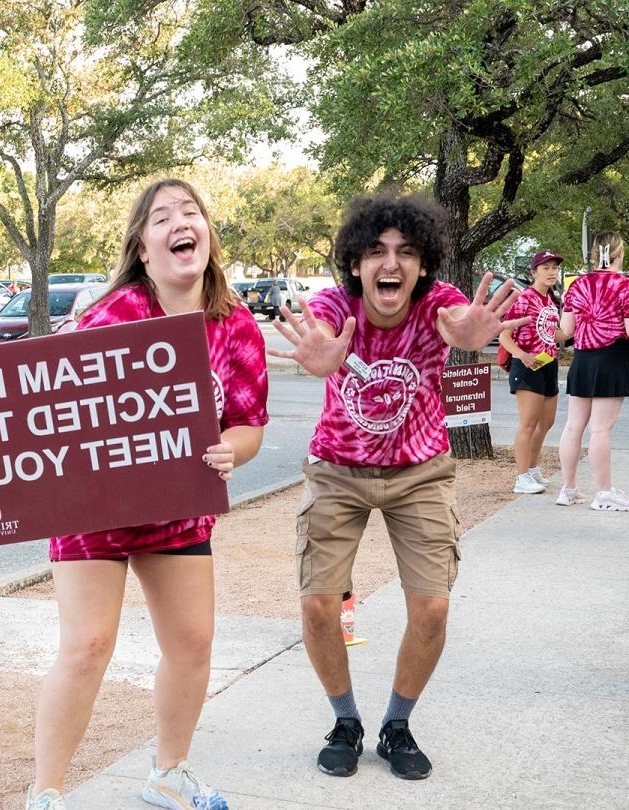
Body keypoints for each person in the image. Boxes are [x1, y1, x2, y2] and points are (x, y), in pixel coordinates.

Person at [0, 178, 268, 810]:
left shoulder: (234, 326)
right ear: (143, 249)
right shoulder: (114, 313)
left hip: (178, 511)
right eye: (162, 217)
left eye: (190, 212)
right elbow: (38, 407)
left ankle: (168, 774)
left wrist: (229, 450)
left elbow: (250, 423)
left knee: (193, 644)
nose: (181, 222)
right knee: (88, 645)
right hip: (96, 511)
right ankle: (44, 794)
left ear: (207, 233)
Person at [269, 193, 527, 782]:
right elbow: (326, 328)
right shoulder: (336, 306)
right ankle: (346, 722)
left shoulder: (439, 302)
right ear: (357, 265)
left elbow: (457, 323)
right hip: (337, 469)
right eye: (377, 252)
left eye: (406, 253)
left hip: (420, 473)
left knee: (433, 608)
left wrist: (469, 334)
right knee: (317, 605)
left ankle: (396, 725)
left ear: (423, 265)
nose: (391, 263)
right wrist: (318, 354)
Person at [555, 232, 629, 510]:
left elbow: (566, 332)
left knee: (573, 426)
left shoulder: (576, 286)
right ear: (619, 254)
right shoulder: (625, 287)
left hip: (582, 360)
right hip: (611, 359)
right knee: (600, 430)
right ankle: (605, 493)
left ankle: (568, 489)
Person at [501, 250, 563, 494]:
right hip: (527, 365)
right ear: (534, 271)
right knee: (529, 423)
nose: (551, 272)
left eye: (554, 268)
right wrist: (522, 356)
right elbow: (504, 334)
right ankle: (521, 477)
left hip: (549, 363)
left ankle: (533, 468)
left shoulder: (551, 300)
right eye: (546, 267)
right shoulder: (525, 298)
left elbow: (555, 333)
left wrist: (581, 326)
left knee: (547, 422)